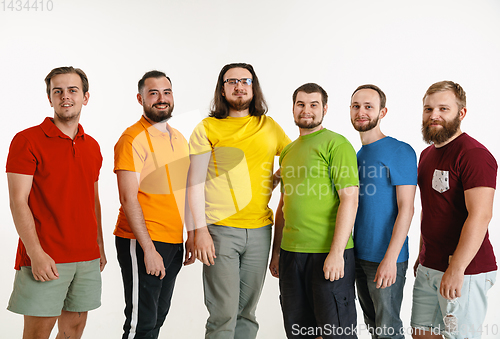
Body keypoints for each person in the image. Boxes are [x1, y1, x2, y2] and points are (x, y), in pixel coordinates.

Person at [188, 62, 290, 339]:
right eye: (231, 81)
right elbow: (193, 183)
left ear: (253, 87)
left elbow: (295, 158)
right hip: (219, 230)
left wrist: (277, 177)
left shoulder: (269, 126)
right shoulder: (207, 127)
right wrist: (198, 231)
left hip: (260, 231)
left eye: (245, 81)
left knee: (247, 313)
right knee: (223, 315)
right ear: (222, 90)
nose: (238, 86)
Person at [6, 66, 106, 339]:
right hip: (46, 255)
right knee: (38, 334)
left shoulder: (92, 146)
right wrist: (35, 253)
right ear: (49, 98)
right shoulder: (26, 141)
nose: (65, 96)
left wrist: (99, 246)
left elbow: (92, 199)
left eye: (73, 90)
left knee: (74, 330)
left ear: (85, 97)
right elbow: (17, 202)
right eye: (57, 91)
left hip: (86, 257)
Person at [269, 83, 359, 339]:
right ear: (293, 108)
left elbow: (349, 200)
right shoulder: (287, 151)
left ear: (325, 109)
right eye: (301, 104)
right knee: (299, 331)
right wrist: (277, 252)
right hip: (291, 256)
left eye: (313, 104)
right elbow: (284, 205)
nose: (306, 110)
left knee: (335, 333)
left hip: (327, 254)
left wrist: (337, 253)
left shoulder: (337, 144)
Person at [411, 81, 497, 339]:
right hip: (430, 265)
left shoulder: (474, 155)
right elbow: (429, 208)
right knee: (421, 334)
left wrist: (456, 269)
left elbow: (481, 215)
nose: (433, 115)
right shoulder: (426, 154)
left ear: (461, 113)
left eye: (443, 109)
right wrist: (421, 252)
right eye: (428, 109)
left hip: (464, 270)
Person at [114, 70, 195, 339]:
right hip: (142, 241)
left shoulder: (179, 138)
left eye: (167, 92)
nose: (162, 99)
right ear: (140, 99)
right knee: (141, 322)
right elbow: (128, 198)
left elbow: (185, 192)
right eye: (154, 93)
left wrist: (191, 236)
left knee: (158, 318)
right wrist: (148, 249)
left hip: (173, 241)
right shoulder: (132, 138)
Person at [349, 84, 417, 338]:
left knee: (388, 330)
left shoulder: (400, 150)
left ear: (383, 111)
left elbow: (407, 208)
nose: (361, 112)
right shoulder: (357, 155)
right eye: (356, 106)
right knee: (373, 327)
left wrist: (390, 259)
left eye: (369, 106)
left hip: (387, 258)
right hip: (358, 256)